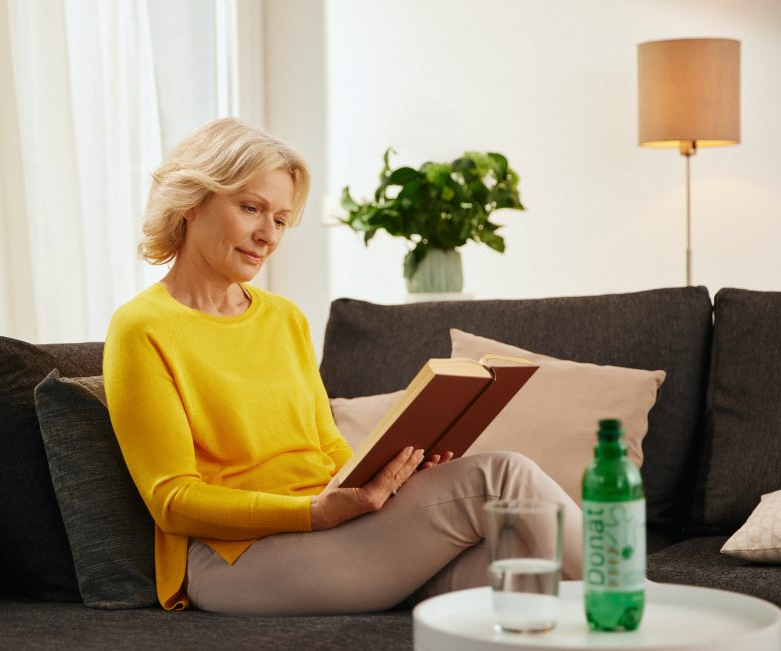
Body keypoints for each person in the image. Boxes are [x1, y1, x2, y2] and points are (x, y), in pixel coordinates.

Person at [103, 117, 582, 614]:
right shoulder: (142, 327)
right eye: (251, 209)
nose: (268, 235)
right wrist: (315, 513)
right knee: (501, 475)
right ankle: (650, 602)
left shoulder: (284, 318)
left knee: (527, 563)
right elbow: (173, 501)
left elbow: (327, 444)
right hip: (234, 560)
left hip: (333, 533)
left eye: (282, 219)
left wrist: (389, 480)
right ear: (190, 202)